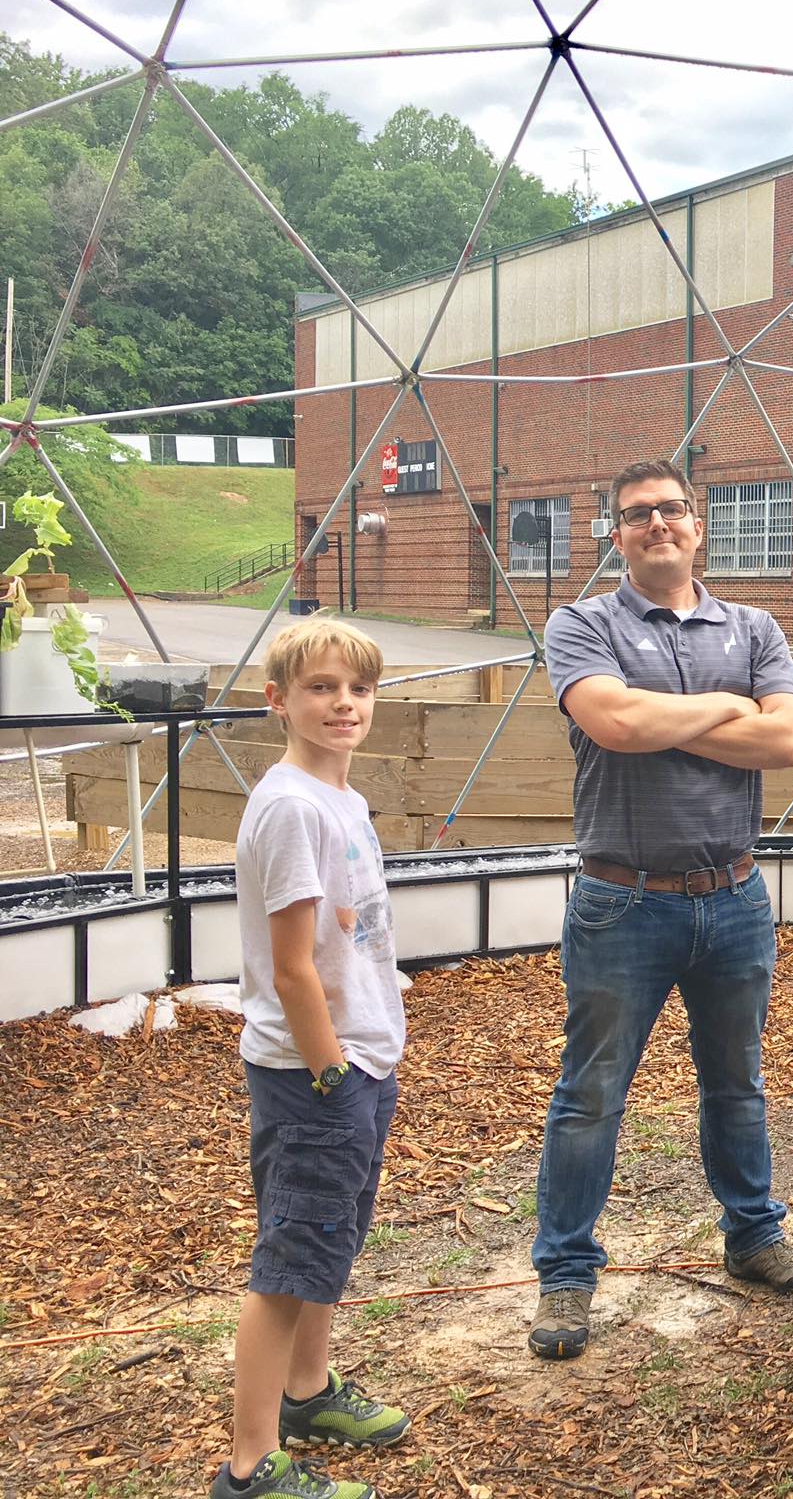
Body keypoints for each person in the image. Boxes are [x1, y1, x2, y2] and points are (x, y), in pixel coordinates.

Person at [528, 457, 793, 1362]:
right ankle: (566, 1275)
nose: (657, 524)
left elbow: (786, 740)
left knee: (737, 1083)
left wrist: (675, 715)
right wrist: (725, 706)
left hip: (733, 898)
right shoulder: (581, 624)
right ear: (616, 535)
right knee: (591, 1096)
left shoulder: (756, 623)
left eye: (672, 511)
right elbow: (613, 725)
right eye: (637, 514)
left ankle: (753, 1237)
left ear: (698, 527)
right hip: (624, 902)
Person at [213, 620, 409, 1499]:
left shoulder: (342, 800)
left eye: (358, 689)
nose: (343, 704)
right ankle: (251, 1466)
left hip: (357, 1061)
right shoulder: (293, 806)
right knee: (290, 1261)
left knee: (329, 1239)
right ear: (278, 700)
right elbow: (293, 968)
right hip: (315, 1074)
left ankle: (308, 1391)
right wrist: (331, 1073)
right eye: (322, 688)